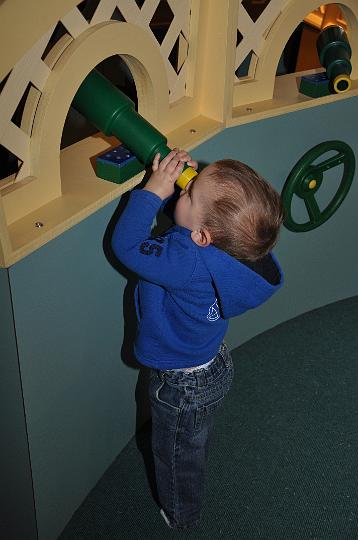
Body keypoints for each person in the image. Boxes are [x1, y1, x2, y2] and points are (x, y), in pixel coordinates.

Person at [111, 148, 284, 529]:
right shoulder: (230, 250)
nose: (182, 192)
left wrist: (153, 193)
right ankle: (197, 439)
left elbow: (127, 246)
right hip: (211, 363)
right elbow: (190, 225)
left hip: (182, 381)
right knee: (192, 437)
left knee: (174, 453)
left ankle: (181, 515)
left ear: (203, 236)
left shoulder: (185, 260)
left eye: (189, 191)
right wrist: (186, 188)